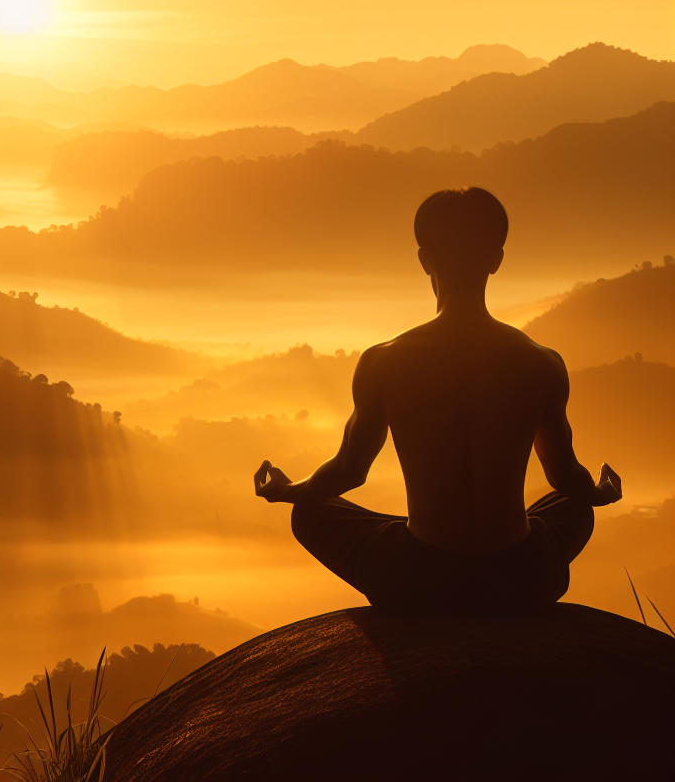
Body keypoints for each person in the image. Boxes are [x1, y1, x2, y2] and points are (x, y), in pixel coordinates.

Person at [254, 187, 621, 613]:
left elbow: (348, 471)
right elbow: (566, 477)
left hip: (420, 577)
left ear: (424, 259)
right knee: (575, 506)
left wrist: (287, 490)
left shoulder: (384, 360)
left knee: (309, 512)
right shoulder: (542, 361)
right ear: (496, 259)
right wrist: (600, 492)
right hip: (524, 574)